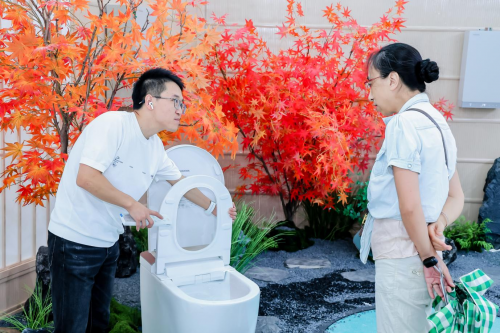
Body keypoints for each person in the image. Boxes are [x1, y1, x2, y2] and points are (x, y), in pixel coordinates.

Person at [47, 68, 237, 333]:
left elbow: (180, 182)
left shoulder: (154, 146)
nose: (180, 109)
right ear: (150, 101)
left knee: (97, 324)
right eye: (175, 101)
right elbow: (86, 177)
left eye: (182, 103)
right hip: (74, 241)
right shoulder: (113, 125)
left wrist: (214, 207)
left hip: (108, 243)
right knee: (72, 328)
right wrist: (132, 204)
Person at [361, 43, 465, 332]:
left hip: (404, 256)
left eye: (371, 83)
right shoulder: (438, 122)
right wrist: (438, 224)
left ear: (392, 80)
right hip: (424, 250)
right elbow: (456, 196)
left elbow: (409, 206)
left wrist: (428, 259)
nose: (369, 95)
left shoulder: (402, 124)